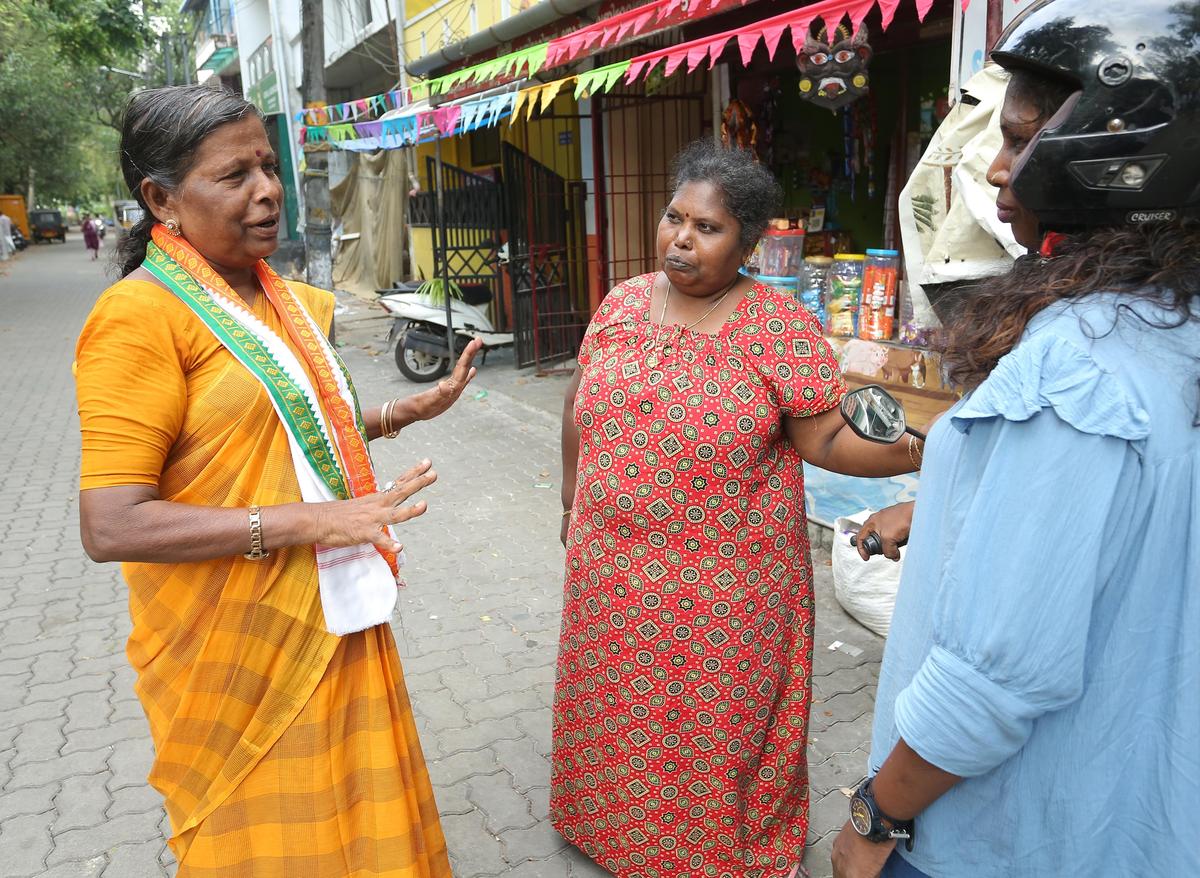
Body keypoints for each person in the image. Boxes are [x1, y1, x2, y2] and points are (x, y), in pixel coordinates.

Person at [831, 0, 1200, 874]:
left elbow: (997, 680)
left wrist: (872, 821)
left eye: (1020, 138)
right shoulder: (1168, 329)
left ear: (1112, 156)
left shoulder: (1075, 366)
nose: (997, 170)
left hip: (997, 837)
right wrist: (945, 507)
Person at [74, 85, 480, 876]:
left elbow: (296, 423)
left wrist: (403, 411)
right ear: (162, 198)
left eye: (268, 166)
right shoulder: (138, 319)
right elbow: (111, 525)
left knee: (360, 824)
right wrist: (312, 523)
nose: (267, 191)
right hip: (234, 648)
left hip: (330, 612)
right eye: (234, 176)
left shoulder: (282, 299)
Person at [553, 139, 922, 878]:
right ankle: (609, 831)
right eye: (673, 218)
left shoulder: (775, 326)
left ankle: (713, 855)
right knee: (617, 711)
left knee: (711, 729)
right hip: (611, 567)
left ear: (747, 242)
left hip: (724, 588)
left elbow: (823, 435)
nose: (680, 239)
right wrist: (570, 502)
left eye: (707, 227)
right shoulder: (623, 303)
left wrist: (930, 454)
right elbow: (576, 403)